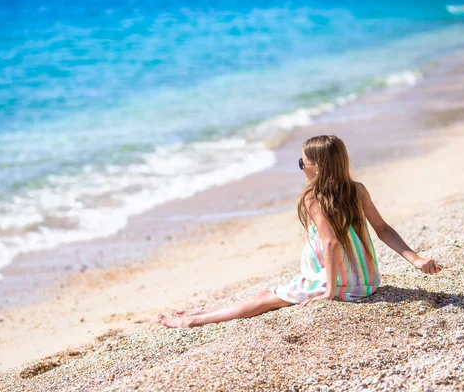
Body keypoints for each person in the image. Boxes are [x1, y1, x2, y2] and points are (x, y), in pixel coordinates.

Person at [158, 135, 442, 328]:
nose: (301, 167)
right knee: (265, 296)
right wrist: (415, 259)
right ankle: (198, 313)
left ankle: (190, 320)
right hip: (366, 280)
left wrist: (329, 291)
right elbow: (382, 228)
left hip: (338, 283)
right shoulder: (357, 190)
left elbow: (330, 243)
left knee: (262, 300)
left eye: (301, 163)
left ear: (316, 168)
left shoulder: (314, 197)